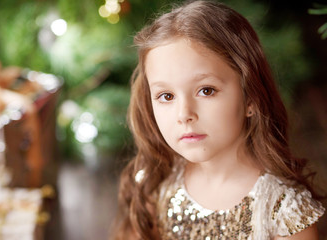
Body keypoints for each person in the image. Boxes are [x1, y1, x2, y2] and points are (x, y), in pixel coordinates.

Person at [113, 1, 325, 239]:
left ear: (250, 98)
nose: (184, 114)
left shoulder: (285, 212)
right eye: (166, 96)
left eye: (206, 90)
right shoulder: (156, 185)